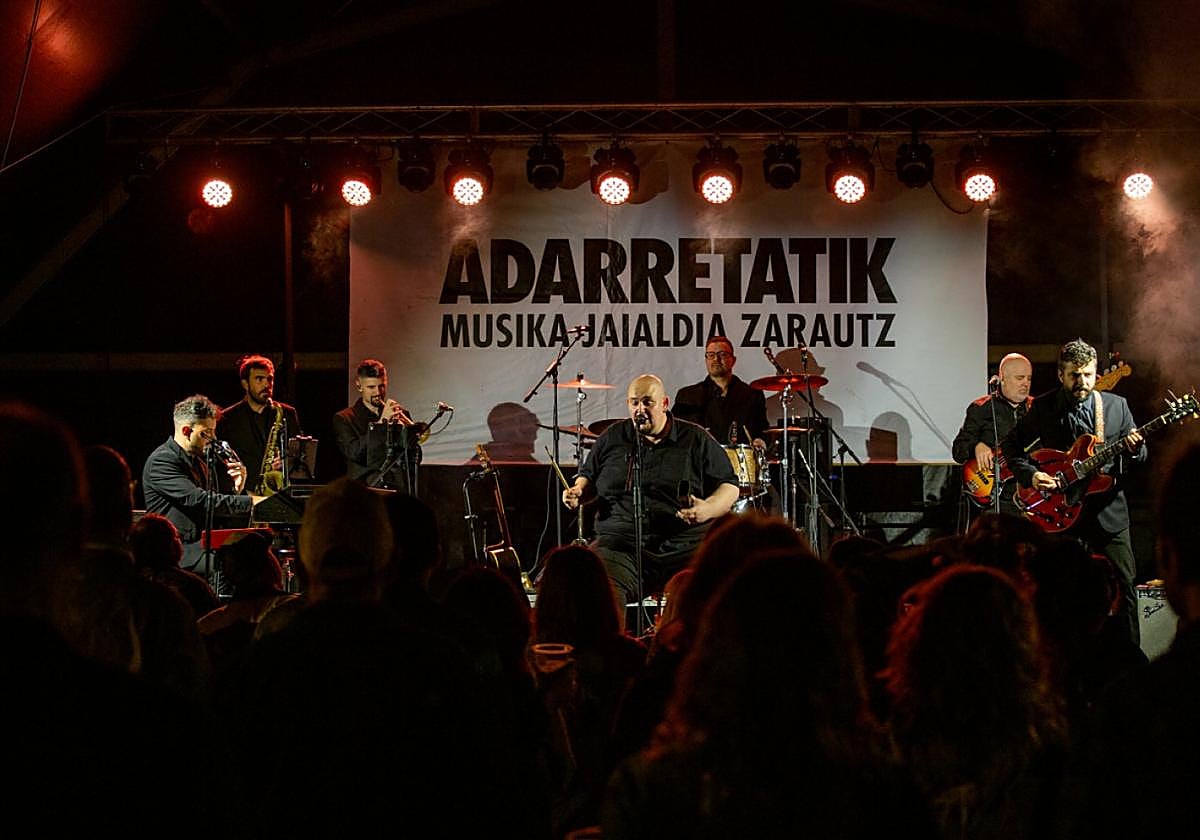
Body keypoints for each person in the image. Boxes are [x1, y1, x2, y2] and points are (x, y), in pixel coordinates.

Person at [1001, 338, 1146, 644]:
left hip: (1108, 514)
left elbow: (1139, 458)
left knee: (1124, 587)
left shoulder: (1116, 407)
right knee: (1055, 590)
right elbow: (1011, 447)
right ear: (1060, 374)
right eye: (1074, 375)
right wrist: (1033, 475)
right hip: (1061, 514)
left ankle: (1130, 657)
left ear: (1096, 373)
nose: (1082, 382)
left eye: (1088, 375)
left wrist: (1135, 449)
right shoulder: (1043, 407)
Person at [562, 374, 739, 606]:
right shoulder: (613, 437)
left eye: (647, 402)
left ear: (664, 403)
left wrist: (707, 509)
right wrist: (578, 491)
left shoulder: (695, 438)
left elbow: (730, 485)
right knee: (599, 593)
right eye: (634, 403)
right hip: (621, 547)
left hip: (683, 547)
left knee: (719, 593)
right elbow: (588, 478)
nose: (640, 409)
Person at [141, 394, 258, 580]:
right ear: (187, 431)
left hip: (200, 546)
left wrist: (237, 489)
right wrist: (252, 502)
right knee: (231, 566)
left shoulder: (199, 461)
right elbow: (199, 500)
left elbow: (213, 509)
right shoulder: (161, 461)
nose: (213, 438)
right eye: (207, 433)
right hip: (176, 551)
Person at [952, 352, 1033, 514]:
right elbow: (958, 450)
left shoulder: (1037, 409)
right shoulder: (981, 408)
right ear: (1002, 378)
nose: (1025, 383)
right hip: (996, 497)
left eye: (1029, 378)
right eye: (1020, 378)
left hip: (1030, 494)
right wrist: (976, 447)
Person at [216, 355, 301, 496]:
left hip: (279, 494)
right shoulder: (227, 418)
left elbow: (298, 454)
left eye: (270, 379)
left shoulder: (286, 413)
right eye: (259, 379)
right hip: (244, 494)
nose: (267, 385)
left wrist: (286, 462)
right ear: (245, 384)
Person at [332, 358, 420, 490]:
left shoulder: (401, 413)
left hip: (397, 488)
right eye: (371, 387)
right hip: (364, 489)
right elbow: (356, 453)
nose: (378, 392)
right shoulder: (344, 418)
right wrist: (381, 424)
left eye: (381, 386)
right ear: (359, 386)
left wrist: (408, 434)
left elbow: (415, 457)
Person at [672, 336, 769, 446]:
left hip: (740, 456)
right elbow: (676, 432)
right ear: (706, 360)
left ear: (733, 360)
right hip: (700, 456)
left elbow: (763, 432)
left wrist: (760, 441)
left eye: (722, 354)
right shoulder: (687, 396)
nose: (716, 359)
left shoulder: (753, 395)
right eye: (711, 355)